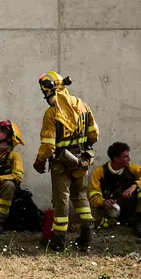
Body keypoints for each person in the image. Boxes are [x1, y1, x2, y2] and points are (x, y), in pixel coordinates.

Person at [32, 71, 99, 251]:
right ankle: (87, 236)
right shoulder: (82, 106)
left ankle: (58, 240)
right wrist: (82, 149)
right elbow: (94, 134)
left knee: (61, 200)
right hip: (82, 161)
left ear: (48, 90)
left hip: (61, 163)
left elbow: (48, 146)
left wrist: (39, 161)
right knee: (80, 196)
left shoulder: (52, 112)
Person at [88, 142, 141, 238]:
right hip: (112, 208)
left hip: (129, 204)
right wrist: (103, 202)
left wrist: (134, 185)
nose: (129, 159)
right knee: (93, 221)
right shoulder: (99, 172)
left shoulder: (131, 168)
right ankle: (124, 221)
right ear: (116, 159)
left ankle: (139, 223)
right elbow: (93, 194)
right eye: (125, 157)